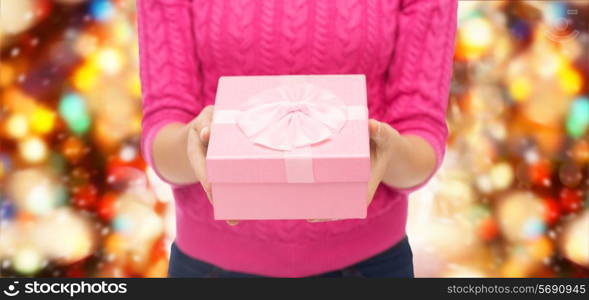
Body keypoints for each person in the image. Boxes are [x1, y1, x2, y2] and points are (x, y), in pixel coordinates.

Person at [137, 0, 457, 278]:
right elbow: (164, 124)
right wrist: (190, 143)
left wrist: (389, 151)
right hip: (210, 268)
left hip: (369, 267)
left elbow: (420, 133)